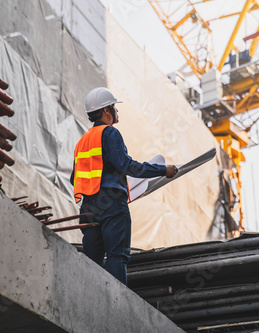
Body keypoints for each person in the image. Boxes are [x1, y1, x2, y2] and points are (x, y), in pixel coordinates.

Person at [70, 87, 178, 286]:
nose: (116, 113)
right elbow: (126, 165)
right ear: (106, 111)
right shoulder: (110, 133)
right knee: (117, 256)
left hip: (88, 208)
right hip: (112, 204)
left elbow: (73, 179)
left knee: (91, 262)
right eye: (114, 108)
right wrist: (162, 170)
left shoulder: (81, 142)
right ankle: (116, 306)